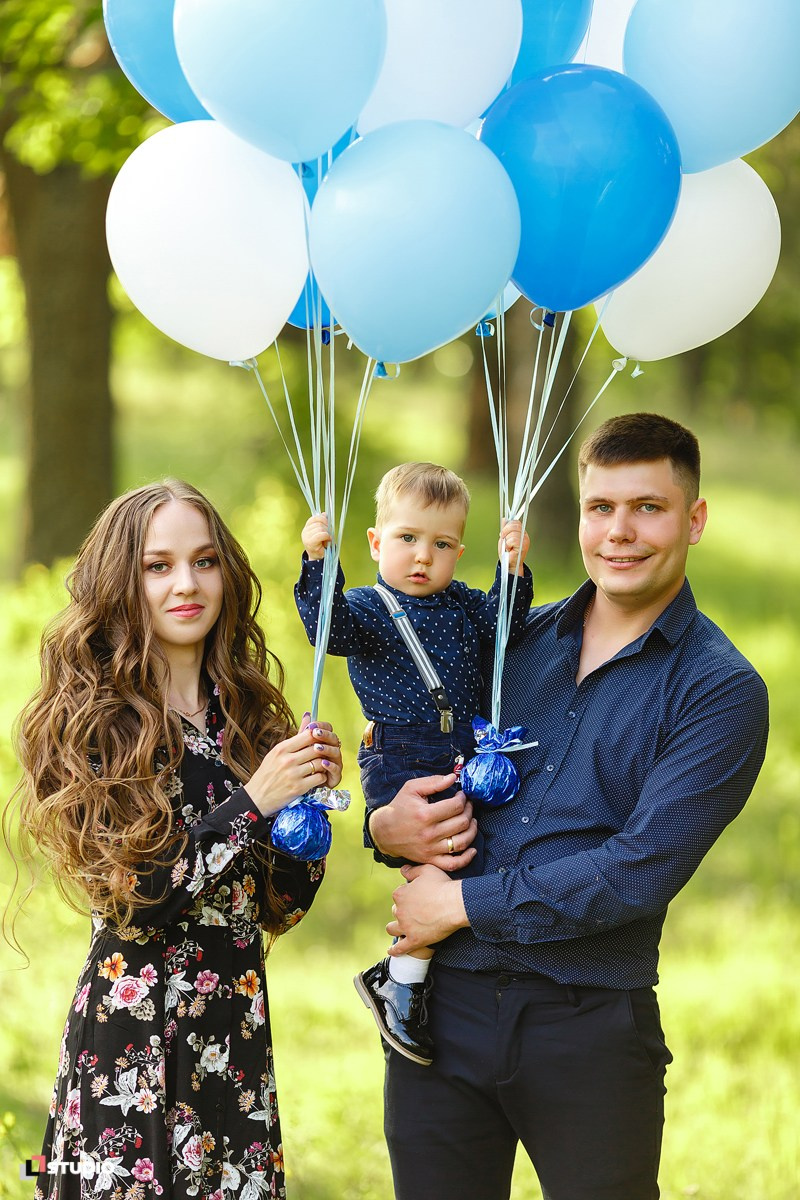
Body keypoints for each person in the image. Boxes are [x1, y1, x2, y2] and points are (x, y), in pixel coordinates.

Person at [365, 415, 769, 1200]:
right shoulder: (510, 643)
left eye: (648, 508)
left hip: (587, 1025)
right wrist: (386, 826)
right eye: (600, 508)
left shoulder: (720, 690)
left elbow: (638, 870)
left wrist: (460, 904)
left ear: (694, 519)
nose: (619, 532)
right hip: (441, 1017)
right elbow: (418, 754)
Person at [10, 480, 343, 1200]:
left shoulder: (247, 717)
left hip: (234, 1037)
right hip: (133, 1044)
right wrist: (254, 802)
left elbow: (279, 906)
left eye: (204, 561)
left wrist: (306, 808)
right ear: (119, 583)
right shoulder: (94, 720)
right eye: (157, 566)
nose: (186, 584)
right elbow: (138, 897)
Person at [294, 462, 532, 1066]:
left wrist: (512, 572)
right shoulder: (368, 608)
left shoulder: (463, 605)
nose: (423, 556)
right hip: (400, 753)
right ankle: (401, 981)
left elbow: (505, 628)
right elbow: (327, 629)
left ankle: (416, 976)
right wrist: (319, 563)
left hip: (462, 749)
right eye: (407, 538)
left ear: (459, 552)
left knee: (467, 852)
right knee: (442, 858)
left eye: (442, 544)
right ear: (376, 542)